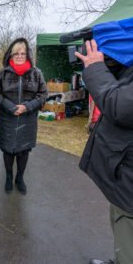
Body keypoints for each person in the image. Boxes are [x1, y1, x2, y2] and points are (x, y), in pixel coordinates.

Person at [76, 34, 133, 264]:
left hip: (129, 181)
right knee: (121, 224)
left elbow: (120, 105)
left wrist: (96, 68)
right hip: (125, 172)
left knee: (127, 227)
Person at [0, 38, 47, 195]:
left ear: (28, 55)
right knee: (8, 151)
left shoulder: (36, 73)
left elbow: (43, 94)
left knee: (24, 151)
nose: (20, 56)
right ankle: (9, 176)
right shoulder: (3, 73)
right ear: (11, 54)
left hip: (28, 119)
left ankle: (20, 177)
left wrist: (27, 107)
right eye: (17, 53)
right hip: (7, 119)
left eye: (23, 53)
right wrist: (10, 107)